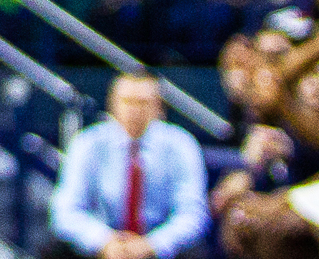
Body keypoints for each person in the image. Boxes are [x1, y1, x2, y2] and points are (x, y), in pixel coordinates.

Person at [46, 74, 209, 259]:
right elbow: (65, 211)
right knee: (57, 249)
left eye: (143, 103)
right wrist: (105, 242)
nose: (134, 110)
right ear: (112, 105)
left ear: (159, 108)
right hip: (104, 244)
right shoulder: (87, 143)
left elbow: (193, 214)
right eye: (127, 102)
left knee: (194, 251)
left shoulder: (182, 144)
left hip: (157, 246)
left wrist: (152, 245)